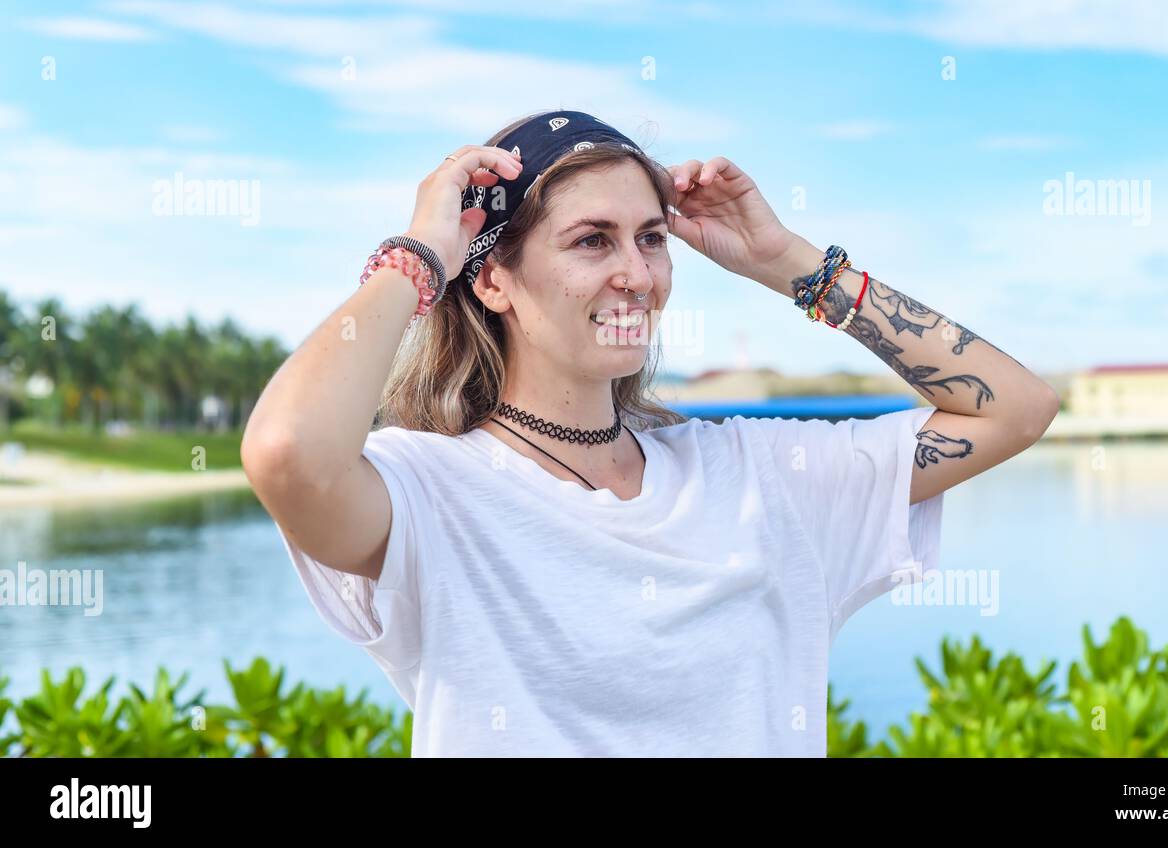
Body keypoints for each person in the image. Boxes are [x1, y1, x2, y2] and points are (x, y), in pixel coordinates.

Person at [241, 108, 1060, 757]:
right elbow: (288, 455)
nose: (637, 274)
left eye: (652, 239)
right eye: (593, 240)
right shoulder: (431, 493)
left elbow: (1015, 408)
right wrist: (419, 256)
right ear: (491, 278)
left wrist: (788, 263)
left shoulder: (760, 476)